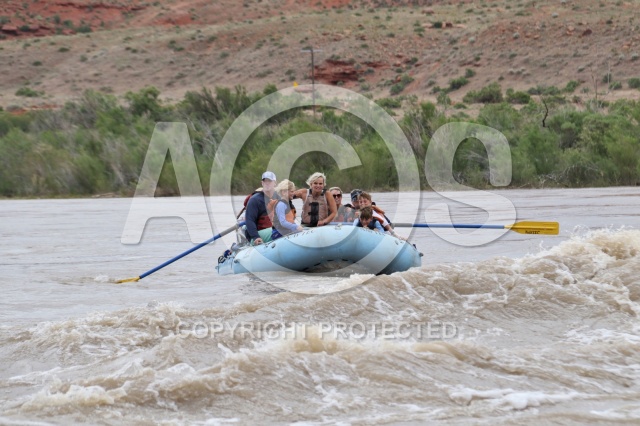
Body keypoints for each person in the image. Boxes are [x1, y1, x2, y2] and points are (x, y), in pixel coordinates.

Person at [244, 171, 277, 245]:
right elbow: (250, 220)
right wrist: (256, 237)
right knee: (280, 230)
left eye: (269, 181)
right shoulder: (255, 200)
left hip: (271, 230)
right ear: (262, 183)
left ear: (275, 183)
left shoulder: (278, 197)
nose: (267, 183)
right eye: (265, 181)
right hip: (257, 235)